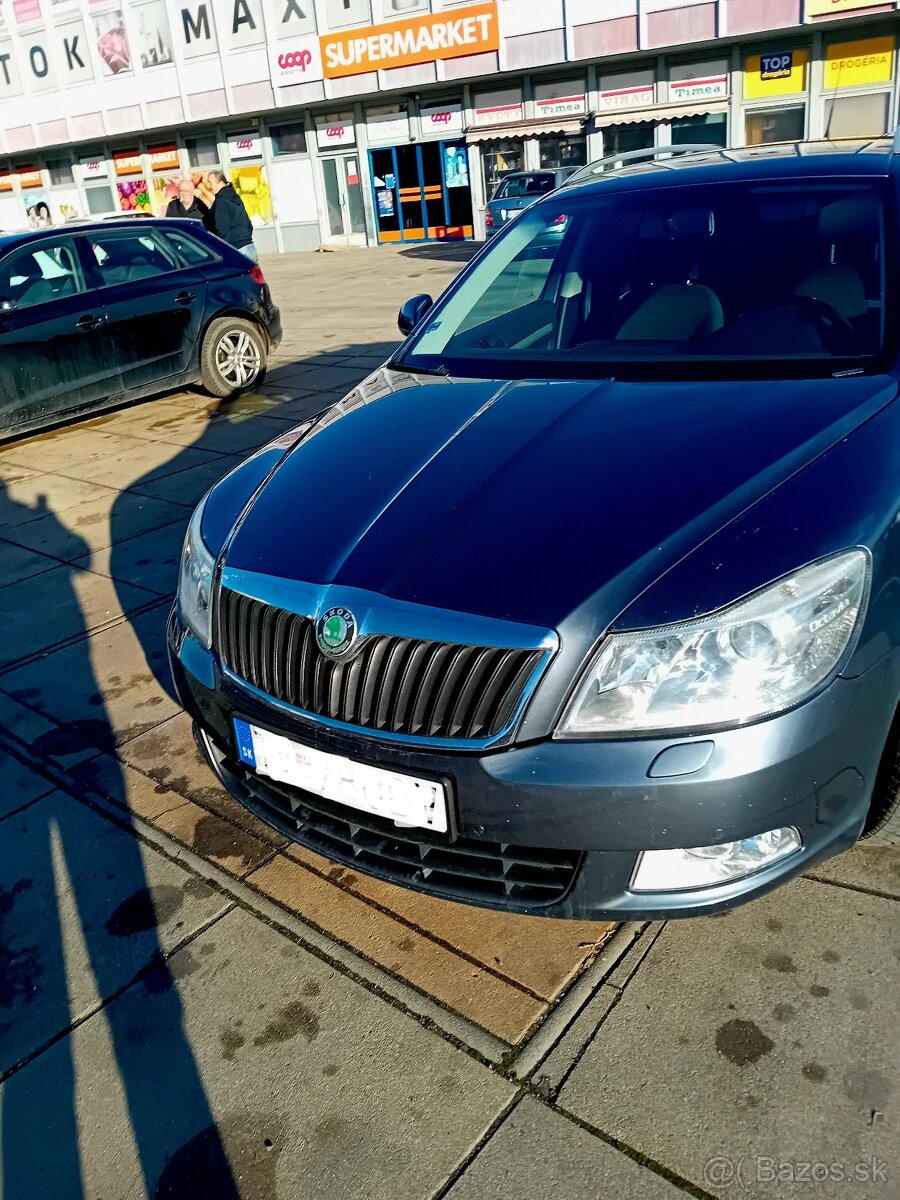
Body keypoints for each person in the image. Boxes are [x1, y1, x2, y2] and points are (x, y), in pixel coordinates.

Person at [206, 169, 256, 262]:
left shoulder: (221, 201)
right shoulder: (235, 197)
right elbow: (248, 224)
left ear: (220, 183)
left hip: (236, 249)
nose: (208, 186)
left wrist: (223, 250)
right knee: (252, 276)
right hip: (249, 246)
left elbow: (221, 228)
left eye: (210, 182)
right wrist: (246, 238)